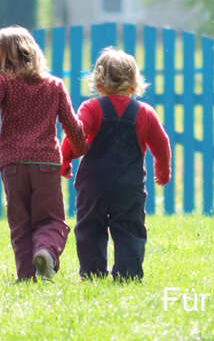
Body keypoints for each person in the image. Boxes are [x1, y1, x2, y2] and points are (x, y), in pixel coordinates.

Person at [0, 26, 87, 281]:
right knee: (52, 220)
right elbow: (72, 126)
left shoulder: (4, 81)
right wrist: (79, 149)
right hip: (45, 162)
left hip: (12, 164)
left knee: (20, 224)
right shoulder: (54, 85)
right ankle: (45, 251)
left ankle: (26, 277)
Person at [61, 47, 171, 281]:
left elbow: (75, 134)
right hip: (129, 187)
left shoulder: (91, 108)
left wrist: (65, 160)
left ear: (98, 83)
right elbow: (162, 144)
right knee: (130, 228)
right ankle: (128, 273)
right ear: (133, 84)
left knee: (90, 228)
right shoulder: (144, 113)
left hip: (93, 185)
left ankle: (92, 273)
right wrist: (163, 171)